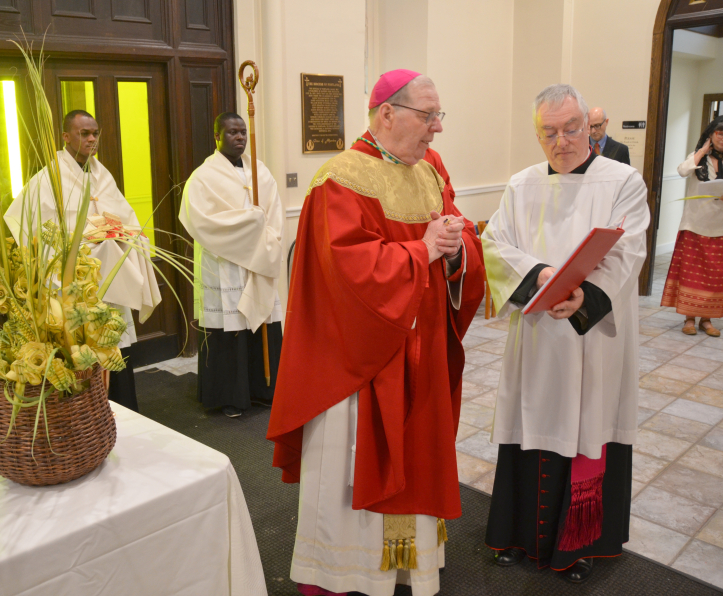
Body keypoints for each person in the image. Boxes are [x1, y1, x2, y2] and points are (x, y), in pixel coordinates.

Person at [267, 70, 485, 596]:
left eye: (439, 117)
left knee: (420, 454)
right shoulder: (341, 178)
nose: (436, 130)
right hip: (362, 363)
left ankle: (410, 567)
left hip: (423, 347)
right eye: (427, 117)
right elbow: (345, 271)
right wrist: (423, 251)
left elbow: (457, 228)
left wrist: (458, 249)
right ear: (387, 113)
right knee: (355, 461)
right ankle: (345, 573)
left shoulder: (430, 167)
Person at [481, 84, 649, 584]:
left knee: (587, 428)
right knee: (528, 427)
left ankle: (579, 545)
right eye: (549, 132)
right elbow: (494, 245)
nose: (563, 141)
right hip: (536, 333)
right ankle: (515, 535)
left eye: (572, 128)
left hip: (592, 337)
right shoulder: (521, 185)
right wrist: (540, 278)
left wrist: (583, 295)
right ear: (538, 136)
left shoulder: (623, 180)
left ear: (590, 127)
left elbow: (628, 248)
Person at [5, 110, 161, 412]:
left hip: (109, 276)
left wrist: (129, 236)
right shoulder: (48, 179)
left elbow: (127, 219)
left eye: (95, 133)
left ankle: (124, 409)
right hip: (73, 282)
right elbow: (27, 227)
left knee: (114, 339)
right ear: (66, 137)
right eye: (83, 133)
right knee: (83, 347)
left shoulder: (103, 176)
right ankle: (87, 415)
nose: (91, 139)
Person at [178, 112, 284, 418]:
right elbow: (199, 220)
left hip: (258, 260)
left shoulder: (260, 172)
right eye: (232, 133)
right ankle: (228, 396)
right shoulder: (203, 177)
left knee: (262, 323)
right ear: (217, 137)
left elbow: (273, 212)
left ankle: (263, 389)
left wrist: (264, 238)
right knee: (229, 330)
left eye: (242, 132)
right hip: (225, 263)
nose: (239, 138)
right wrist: (248, 225)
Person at [661, 116, 723, 336]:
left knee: (713, 276)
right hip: (695, 225)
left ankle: (706, 320)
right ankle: (689, 319)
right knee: (692, 273)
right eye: (719, 133)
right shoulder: (697, 158)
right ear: (710, 135)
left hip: (719, 228)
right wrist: (702, 151)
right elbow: (683, 171)